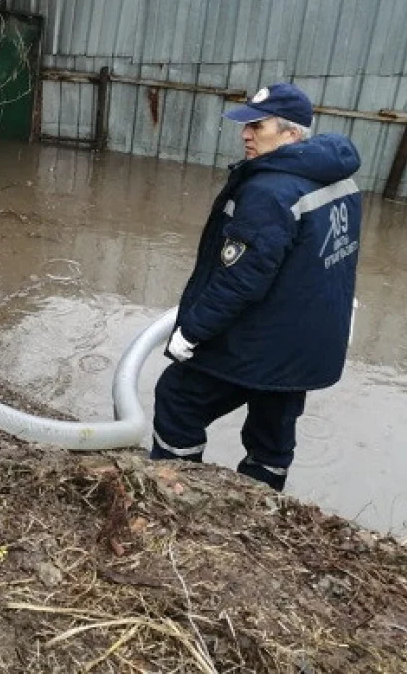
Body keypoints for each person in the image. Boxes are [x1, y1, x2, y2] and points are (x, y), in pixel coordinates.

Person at [150, 83, 362, 491]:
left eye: (257, 126)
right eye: (245, 125)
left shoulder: (270, 191)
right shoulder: (342, 180)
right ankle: (260, 506)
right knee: (272, 437)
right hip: (307, 345)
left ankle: (176, 492)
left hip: (264, 342)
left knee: (178, 398)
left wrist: (192, 332)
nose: (245, 134)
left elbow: (240, 279)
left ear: (291, 134)